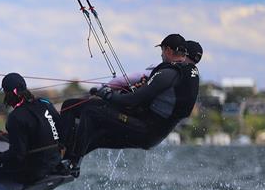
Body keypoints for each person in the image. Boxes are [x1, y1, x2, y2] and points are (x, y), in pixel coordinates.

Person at [61, 33, 200, 169]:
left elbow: (132, 101)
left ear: (168, 50)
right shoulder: (184, 71)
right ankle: (60, 155)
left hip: (146, 130)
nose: (161, 55)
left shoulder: (169, 74)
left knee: (91, 112)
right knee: (70, 106)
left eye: (162, 50)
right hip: (143, 121)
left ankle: (71, 164)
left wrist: (107, 95)